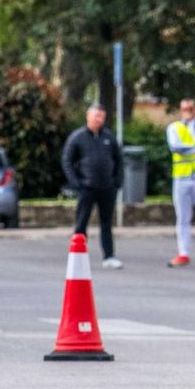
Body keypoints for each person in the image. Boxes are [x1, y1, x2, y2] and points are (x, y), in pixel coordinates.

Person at [62, 104, 123, 269]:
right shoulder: (78, 137)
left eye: (102, 117)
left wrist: (116, 183)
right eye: (96, 116)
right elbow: (67, 161)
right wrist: (76, 183)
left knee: (106, 224)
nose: (99, 120)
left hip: (106, 188)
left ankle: (109, 256)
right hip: (86, 188)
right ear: (88, 117)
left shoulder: (109, 138)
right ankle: (78, 257)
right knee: (81, 222)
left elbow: (118, 161)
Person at [166, 98, 195, 267]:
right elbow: (176, 147)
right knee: (183, 217)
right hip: (181, 178)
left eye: (190, 108)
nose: (187, 111)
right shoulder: (174, 127)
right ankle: (183, 252)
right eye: (184, 108)